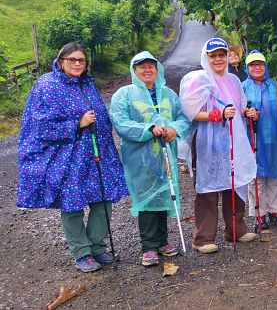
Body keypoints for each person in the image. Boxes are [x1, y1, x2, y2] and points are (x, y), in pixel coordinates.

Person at [17, 42, 128, 272]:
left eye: (81, 60)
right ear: (60, 62)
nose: (78, 63)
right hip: (68, 157)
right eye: (72, 60)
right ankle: (82, 252)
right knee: (72, 204)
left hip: (98, 155)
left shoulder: (88, 84)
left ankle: (96, 245)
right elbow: (39, 127)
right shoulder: (46, 86)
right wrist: (76, 124)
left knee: (104, 200)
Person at [111, 51, 191, 266]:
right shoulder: (124, 94)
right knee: (146, 198)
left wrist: (174, 129)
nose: (147, 70)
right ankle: (149, 246)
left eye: (151, 66)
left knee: (166, 194)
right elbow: (121, 123)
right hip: (140, 158)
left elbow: (183, 118)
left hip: (165, 153)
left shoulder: (168, 94)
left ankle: (163, 241)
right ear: (134, 70)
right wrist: (148, 128)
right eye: (141, 67)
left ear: (157, 69)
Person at [179, 37, 258, 253]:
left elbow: (240, 105)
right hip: (208, 140)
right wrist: (217, 115)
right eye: (213, 56)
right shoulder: (199, 80)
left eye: (221, 55)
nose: (218, 59)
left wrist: (247, 112)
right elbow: (190, 112)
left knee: (235, 181)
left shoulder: (233, 80)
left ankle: (236, 229)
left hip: (234, 138)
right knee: (208, 185)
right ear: (206, 57)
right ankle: (203, 238)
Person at [242, 50, 277, 231]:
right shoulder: (243, 87)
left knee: (275, 175)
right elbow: (238, 107)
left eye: (260, 64)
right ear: (248, 68)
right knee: (257, 176)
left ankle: (275, 210)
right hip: (253, 136)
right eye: (253, 65)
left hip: (276, 137)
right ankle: (259, 213)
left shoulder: (274, 85)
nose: (257, 68)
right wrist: (247, 112)